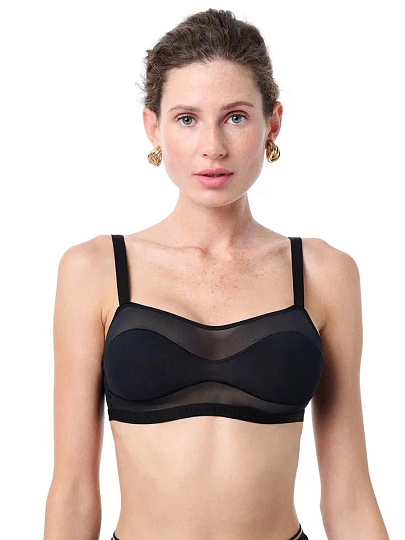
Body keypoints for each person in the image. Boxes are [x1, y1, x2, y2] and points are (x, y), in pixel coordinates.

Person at [43, 8, 389, 540]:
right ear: (153, 127)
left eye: (235, 117)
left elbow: (349, 496)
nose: (213, 146)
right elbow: (71, 493)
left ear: (273, 123)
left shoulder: (324, 273)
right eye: (187, 118)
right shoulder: (94, 271)